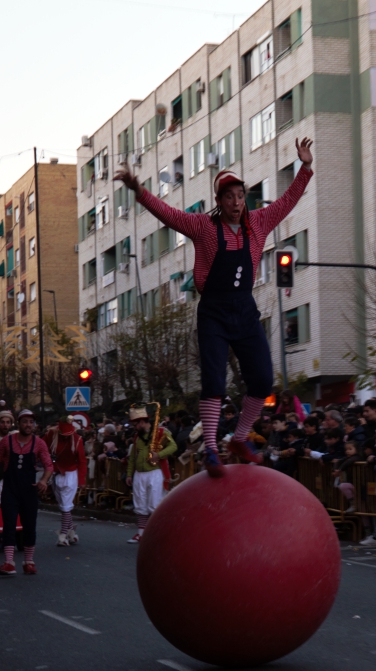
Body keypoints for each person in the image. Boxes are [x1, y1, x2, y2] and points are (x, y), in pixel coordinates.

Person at [114, 137, 315, 475]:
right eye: (229, 197)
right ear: (219, 201)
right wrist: (139, 190)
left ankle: (238, 438)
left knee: (263, 381)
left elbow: (288, 200)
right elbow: (168, 213)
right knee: (214, 383)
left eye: (240, 196)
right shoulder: (202, 227)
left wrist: (305, 167)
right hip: (213, 312)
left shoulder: (261, 223)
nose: (237, 202)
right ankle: (210, 448)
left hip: (245, 310)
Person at [0, 410, 54, 577]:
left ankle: (29, 561)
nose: (28, 425)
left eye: (31, 422)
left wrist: (44, 481)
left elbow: (49, 465)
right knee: (9, 525)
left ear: (34, 425)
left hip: (29, 490)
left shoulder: (39, 443)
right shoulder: (7, 442)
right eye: (25, 422)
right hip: (10, 489)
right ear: (19, 423)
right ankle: (9, 562)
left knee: (29, 526)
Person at [124, 406, 178, 544]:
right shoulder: (137, 437)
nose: (134, 427)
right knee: (140, 504)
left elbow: (173, 446)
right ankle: (141, 533)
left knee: (155, 504)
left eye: (135, 424)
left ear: (142, 422)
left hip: (155, 472)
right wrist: (129, 474)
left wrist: (158, 455)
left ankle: (156, 533)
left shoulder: (161, 432)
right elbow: (132, 457)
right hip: (139, 473)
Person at [44, 417, 88, 546]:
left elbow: (82, 461)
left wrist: (81, 480)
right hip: (56, 473)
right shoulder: (51, 435)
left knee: (66, 507)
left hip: (70, 474)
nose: (65, 437)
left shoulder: (77, 439)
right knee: (63, 505)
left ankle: (62, 535)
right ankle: (72, 533)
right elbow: (41, 448)